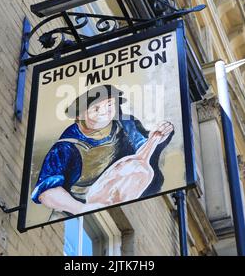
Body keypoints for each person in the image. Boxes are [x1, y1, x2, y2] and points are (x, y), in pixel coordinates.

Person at [31, 85, 174, 217]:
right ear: (80, 115)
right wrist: (81, 209)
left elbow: (141, 153)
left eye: (110, 105)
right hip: (76, 208)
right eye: (96, 108)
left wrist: (156, 137)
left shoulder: (124, 123)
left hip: (118, 189)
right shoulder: (65, 147)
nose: (105, 112)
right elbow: (46, 192)